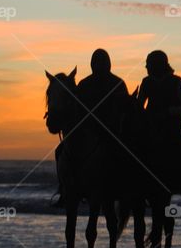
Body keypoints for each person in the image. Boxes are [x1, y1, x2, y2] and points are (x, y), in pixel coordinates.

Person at [51, 49, 129, 208]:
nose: (99, 66)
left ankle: (125, 188)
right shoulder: (84, 84)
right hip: (88, 130)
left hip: (111, 131)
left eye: (101, 62)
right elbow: (76, 108)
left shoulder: (117, 83)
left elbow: (125, 110)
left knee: (124, 155)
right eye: (96, 63)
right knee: (60, 151)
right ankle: (64, 190)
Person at [136, 50, 181, 143]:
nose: (146, 67)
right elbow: (139, 105)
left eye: (149, 64)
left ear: (158, 65)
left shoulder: (177, 81)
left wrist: (170, 112)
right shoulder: (146, 82)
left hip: (175, 131)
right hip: (151, 130)